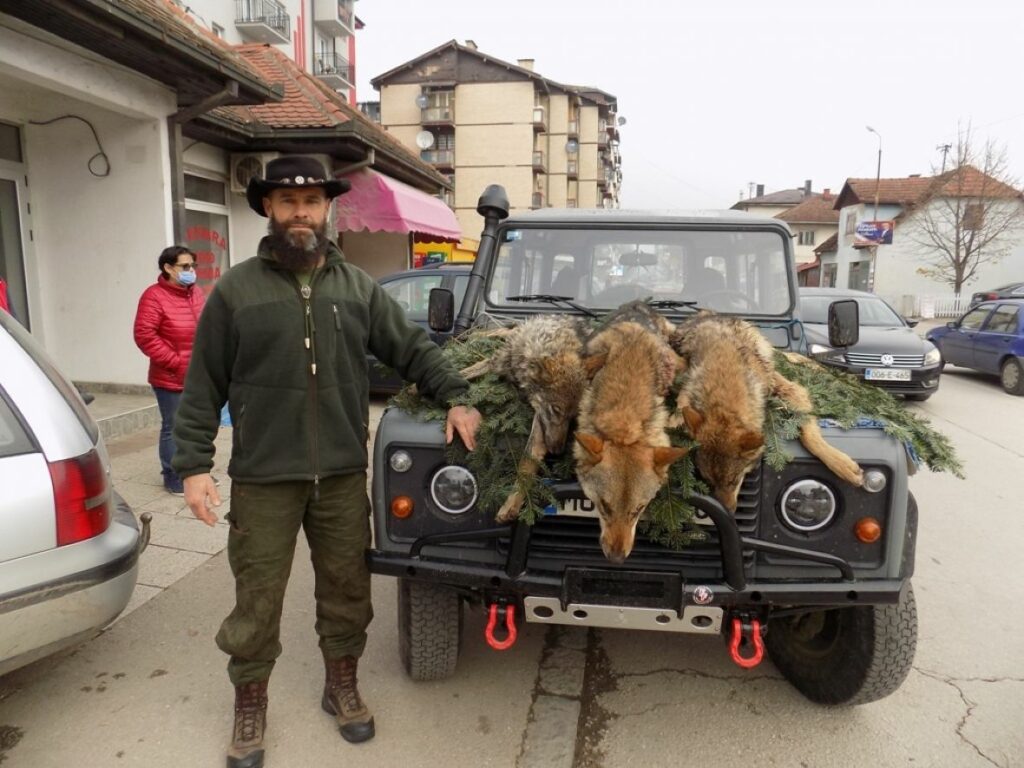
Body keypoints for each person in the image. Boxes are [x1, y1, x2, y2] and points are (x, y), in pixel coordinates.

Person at [171, 155, 481, 768]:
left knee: (346, 588)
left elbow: (413, 349)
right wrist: (194, 464)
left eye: (311, 201)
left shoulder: (357, 288)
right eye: (288, 203)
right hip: (264, 477)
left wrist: (459, 399)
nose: (300, 213)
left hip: (340, 473)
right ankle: (249, 703)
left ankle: (340, 684)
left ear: (326, 207)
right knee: (257, 595)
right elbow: (203, 382)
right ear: (268, 209)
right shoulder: (237, 290)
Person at [133, 245, 206, 496]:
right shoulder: (153, 296)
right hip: (170, 376)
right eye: (185, 267)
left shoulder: (195, 293)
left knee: (196, 426)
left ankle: (196, 473)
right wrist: (176, 362)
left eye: (193, 266)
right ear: (167, 267)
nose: (191, 272)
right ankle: (173, 476)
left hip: (198, 375)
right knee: (173, 428)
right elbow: (144, 335)